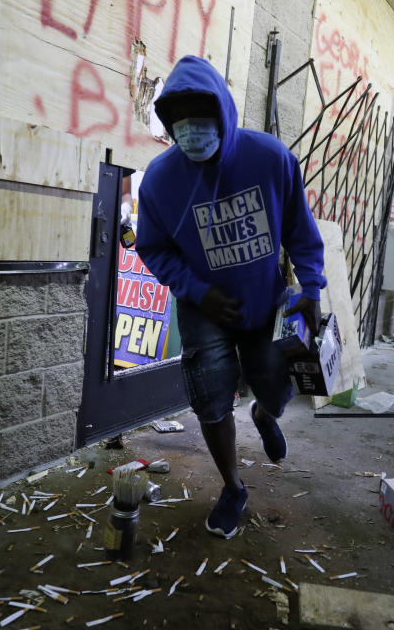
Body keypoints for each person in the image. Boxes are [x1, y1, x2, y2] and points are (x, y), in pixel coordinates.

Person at [135, 55, 326, 539]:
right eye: (181, 124)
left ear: (224, 113)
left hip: (263, 300)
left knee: (274, 381)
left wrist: (312, 287)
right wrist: (199, 291)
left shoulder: (270, 159)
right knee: (211, 397)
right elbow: (153, 248)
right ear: (169, 126)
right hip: (206, 307)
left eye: (202, 121)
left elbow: (301, 230)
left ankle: (265, 413)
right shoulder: (160, 181)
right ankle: (233, 487)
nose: (193, 132)